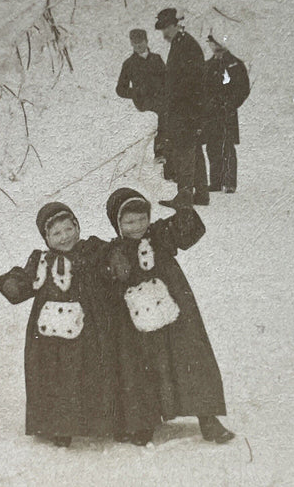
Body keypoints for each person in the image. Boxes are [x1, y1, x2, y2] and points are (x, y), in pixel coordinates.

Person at [105, 187, 235, 445]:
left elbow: (189, 231)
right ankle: (144, 422)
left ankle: (207, 418)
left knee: (191, 357)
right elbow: (104, 274)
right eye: (129, 222)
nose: (138, 226)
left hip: (176, 310)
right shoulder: (115, 250)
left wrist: (185, 209)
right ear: (117, 224)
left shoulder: (160, 234)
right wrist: (113, 266)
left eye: (142, 218)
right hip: (137, 321)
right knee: (141, 367)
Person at [0, 202, 115, 448]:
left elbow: (110, 261)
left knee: (90, 369)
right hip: (50, 335)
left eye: (68, 229)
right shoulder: (41, 261)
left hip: (89, 327)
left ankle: (98, 420)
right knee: (56, 376)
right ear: (47, 238)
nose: (64, 237)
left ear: (77, 227)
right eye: (56, 233)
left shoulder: (91, 251)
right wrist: (13, 284)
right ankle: (59, 425)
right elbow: (26, 281)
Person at [154, 8, 209, 206]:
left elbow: (191, 81)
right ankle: (201, 194)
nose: (164, 35)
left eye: (165, 29)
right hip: (187, 107)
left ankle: (184, 197)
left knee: (183, 150)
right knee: (193, 150)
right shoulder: (182, 43)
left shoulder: (186, 45)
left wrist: (179, 105)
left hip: (186, 108)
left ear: (174, 26)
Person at [116, 29, 174, 179]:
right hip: (144, 103)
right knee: (163, 114)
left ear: (147, 42)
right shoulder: (129, 64)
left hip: (161, 99)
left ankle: (170, 170)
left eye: (140, 43)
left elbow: (168, 80)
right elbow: (120, 89)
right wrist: (135, 92)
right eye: (135, 45)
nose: (138, 47)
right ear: (131, 44)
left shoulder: (156, 59)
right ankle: (159, 152)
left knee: (171, 116)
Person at [202, 35, 250, 193]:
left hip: (226, 112)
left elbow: (243, 88)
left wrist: (230, 104)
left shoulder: (235, 64)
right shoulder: (208, 65)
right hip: (210, 113)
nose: (213, 47)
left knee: (227, 146)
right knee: (212, 146)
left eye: (215, 43)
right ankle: (215, 182)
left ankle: (229, 182)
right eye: (210, 44)